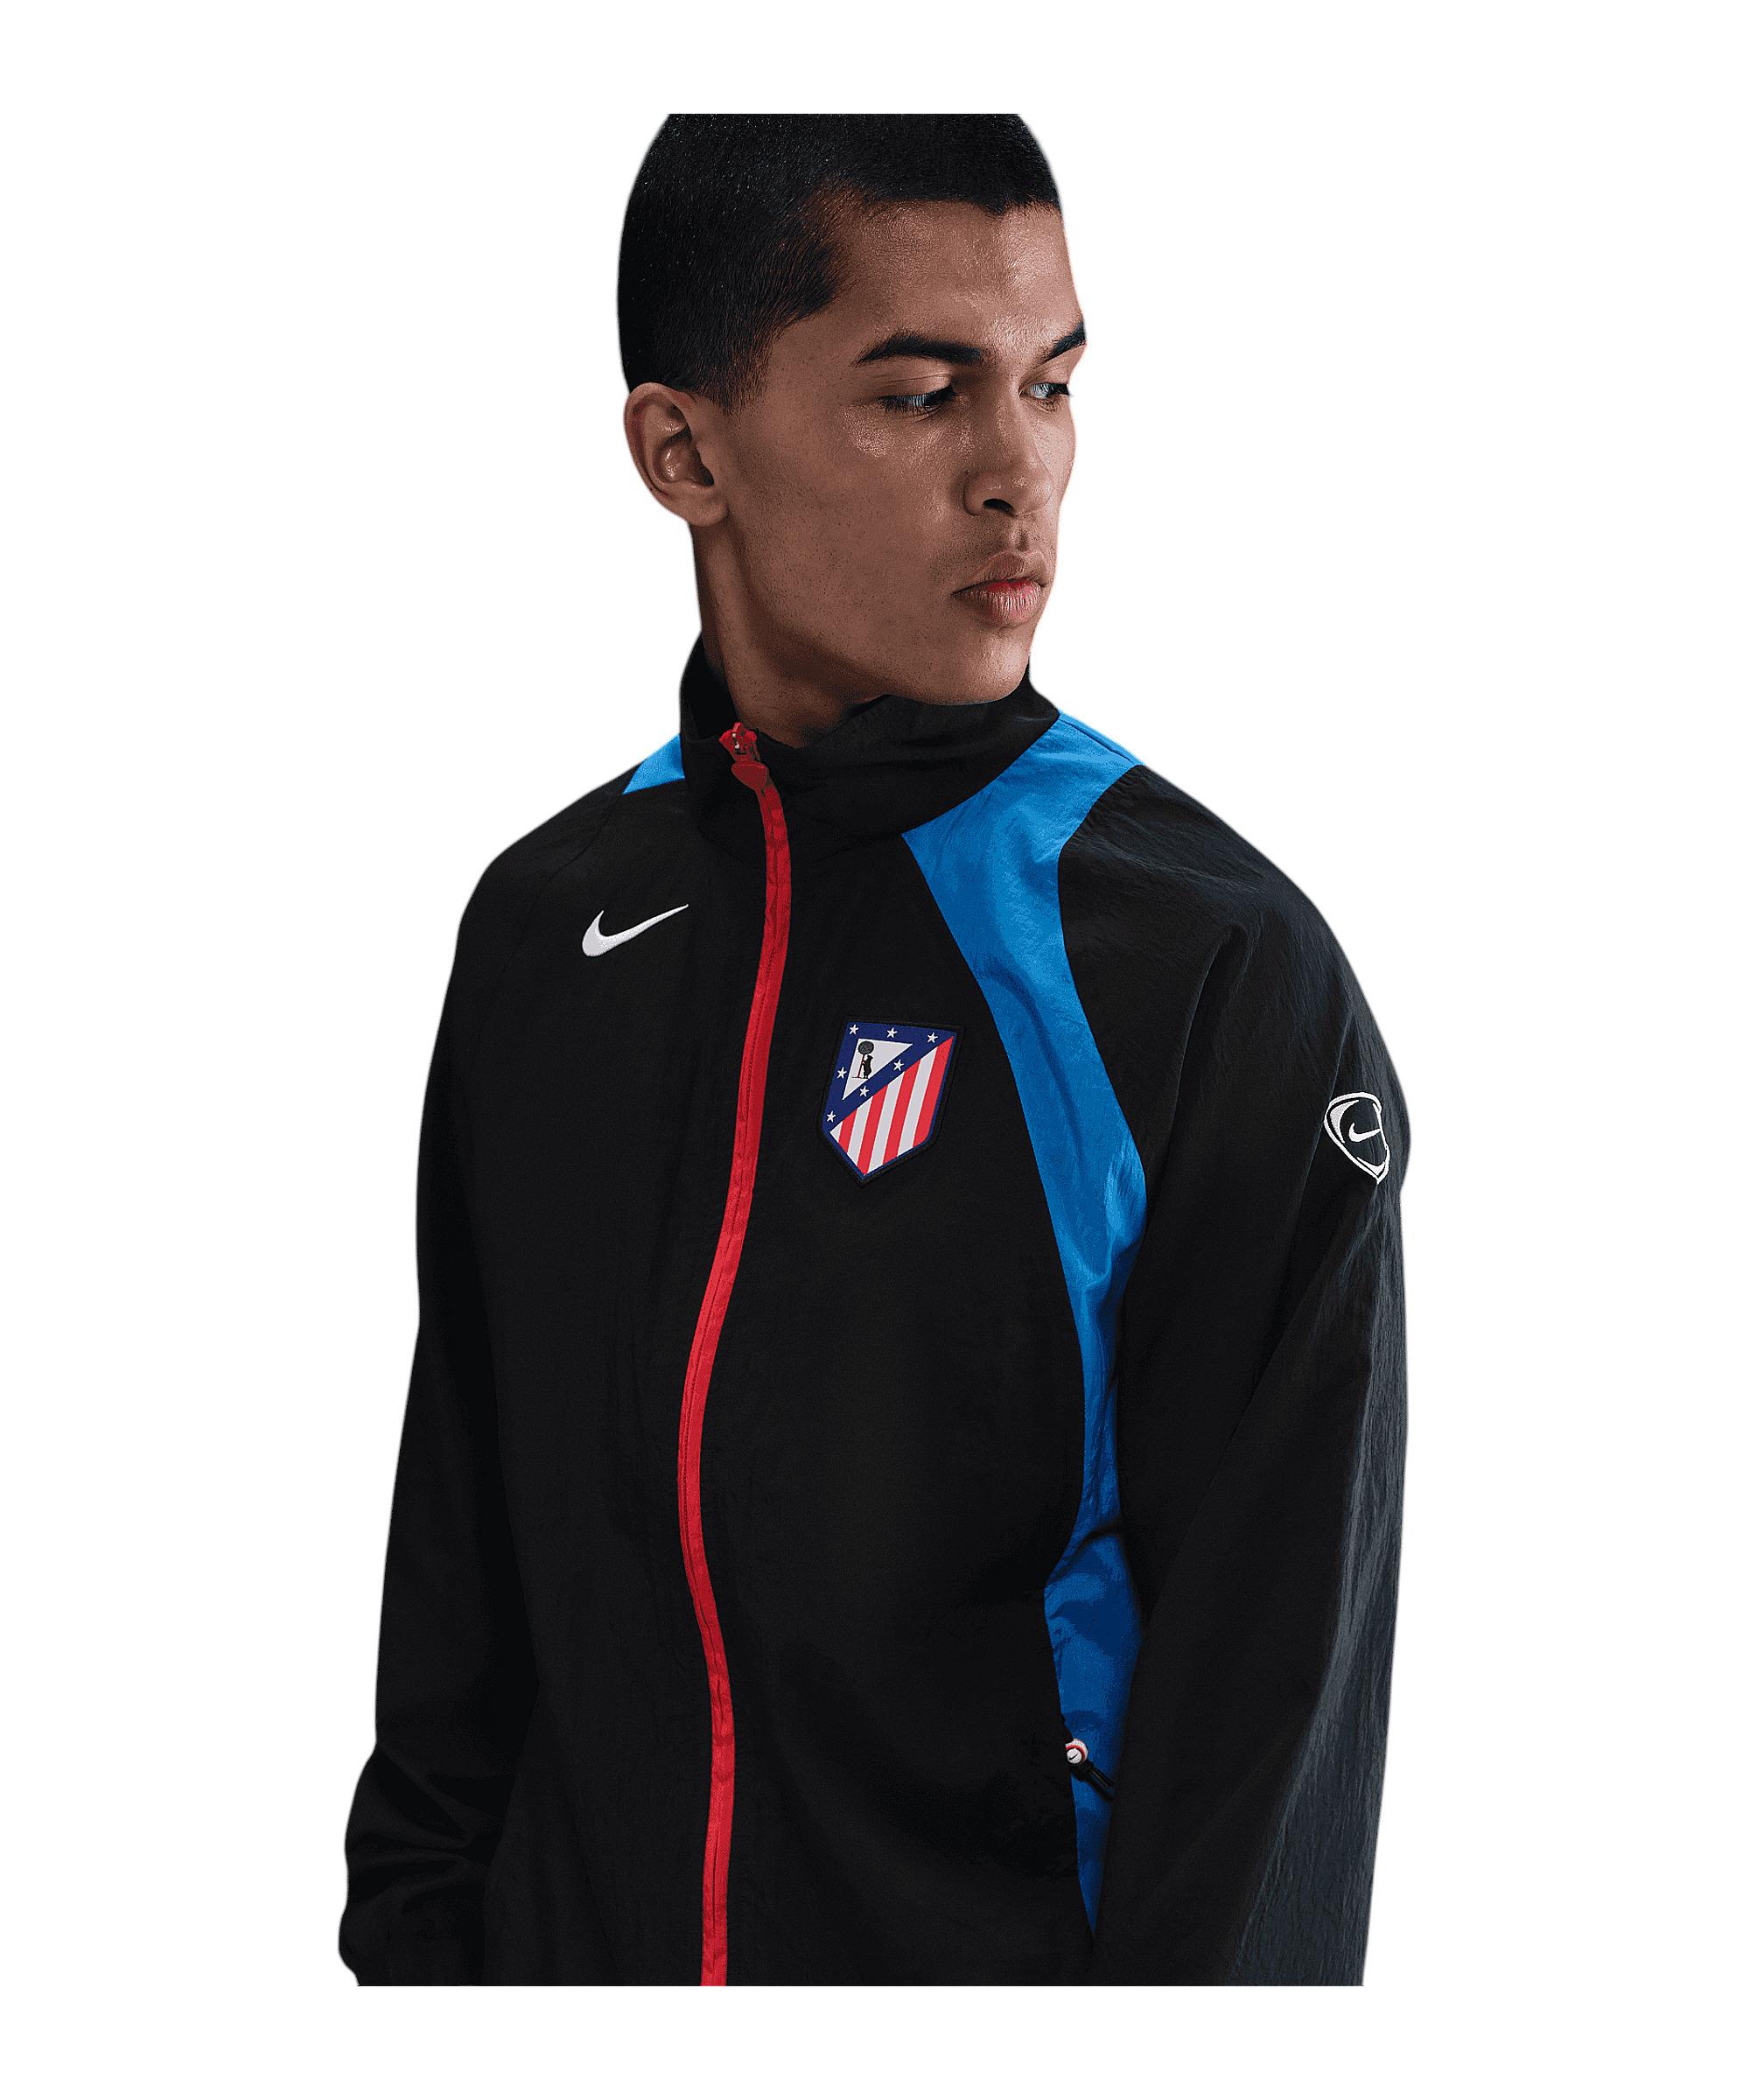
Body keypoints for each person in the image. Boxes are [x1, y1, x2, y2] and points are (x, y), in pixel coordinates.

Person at [339, 113, 1410, 1987]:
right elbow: (464, 1589)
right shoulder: (546, 929)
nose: (1020, 476)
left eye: (1052, 385)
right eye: (922, 398)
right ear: (684, 452)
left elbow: (1273, 1753)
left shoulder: (1204, 968)